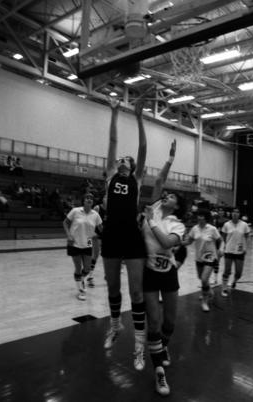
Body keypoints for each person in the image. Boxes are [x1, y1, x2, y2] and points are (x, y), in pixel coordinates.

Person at [101, 97, 147, 371]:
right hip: (111, 236)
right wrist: (115, 113)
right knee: (113, 289)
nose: (123, 160)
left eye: (127, 160)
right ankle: (115, 327)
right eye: (121, 159)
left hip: (131, 237)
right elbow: (112, 142)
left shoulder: (137, 179)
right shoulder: (109, 176)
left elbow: (142, 147)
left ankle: (139, 346)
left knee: (136, 292)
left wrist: (139, 117)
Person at [142, 140, 186, 396]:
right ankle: (159, 372)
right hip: (149, 272)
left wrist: (151, 222)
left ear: (177, 205)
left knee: (170, 321)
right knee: (155, 323)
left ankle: (162, 347)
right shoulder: (156, 206)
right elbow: (159, 180)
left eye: (171, 196)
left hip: (168, 274)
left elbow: (167, 242)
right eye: (165, 195)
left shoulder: (178, 225)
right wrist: (169, 159)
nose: (166, 195)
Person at [63, 193, 102, 300]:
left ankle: (81, 280)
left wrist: (99, 235)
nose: (89, 199)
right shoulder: (75, 211)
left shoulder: (96, 214)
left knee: (88, 268)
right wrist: (69, 235)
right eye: (87, 198)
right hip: (74, 243)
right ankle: (81, 290)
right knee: (78, 268)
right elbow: (65, 223)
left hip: (87, 244)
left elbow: (101, 229)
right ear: (83, 201)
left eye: (91, 198)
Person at [184, 209, 223, 312]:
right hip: (199, 257)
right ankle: (209, 290)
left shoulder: (212, 229)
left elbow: (220, 240)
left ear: (206, 218)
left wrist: (221, 249)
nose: (200, 217)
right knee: (200, 278)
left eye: (202, 216)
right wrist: (178, 242)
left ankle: (205, 302)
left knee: (204, 279)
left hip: (210, 257)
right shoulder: (194, 229)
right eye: (199, 216)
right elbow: (188, 241)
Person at [221, 207, 250, 297]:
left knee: (238, 273)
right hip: (229, 250)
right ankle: (224, 288)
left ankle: (234, 281)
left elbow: (246, 237)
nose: (235, 214)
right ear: (231, 214)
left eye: (237, 212)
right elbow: (224, 237)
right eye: (233, 212)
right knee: (227, 270)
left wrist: (245, 248)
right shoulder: (226, 224)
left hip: (239, 251)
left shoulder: (244, 225)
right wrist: (223, 247)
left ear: (239, 214)